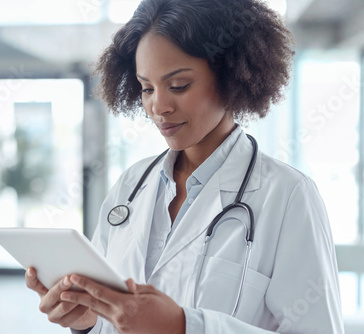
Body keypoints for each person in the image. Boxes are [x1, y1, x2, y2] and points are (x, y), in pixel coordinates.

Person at [26, 0, 344, 333]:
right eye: (147, 88)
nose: (158, 106)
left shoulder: (289, 196)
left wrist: (184, 326)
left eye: (178, 85)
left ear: (230, 74)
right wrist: (87, 321)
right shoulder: (132, 184)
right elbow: (112, 314)